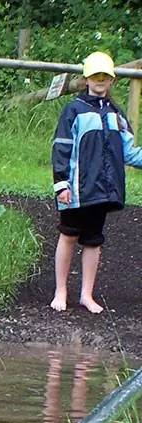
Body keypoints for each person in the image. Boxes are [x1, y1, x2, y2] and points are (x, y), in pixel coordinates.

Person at [50, 50, 142, 314]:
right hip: (77, 189)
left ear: (112, 80)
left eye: (105, 76)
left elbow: (129, 152)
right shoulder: (74, 111)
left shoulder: (116, 114)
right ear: (87, 78)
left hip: (104, 190)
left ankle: (86, 295)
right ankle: (61, 290)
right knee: (68, 236)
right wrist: (61, 183)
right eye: (95, 75)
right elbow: (61, 148)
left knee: (94, 240)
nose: (100, 80)